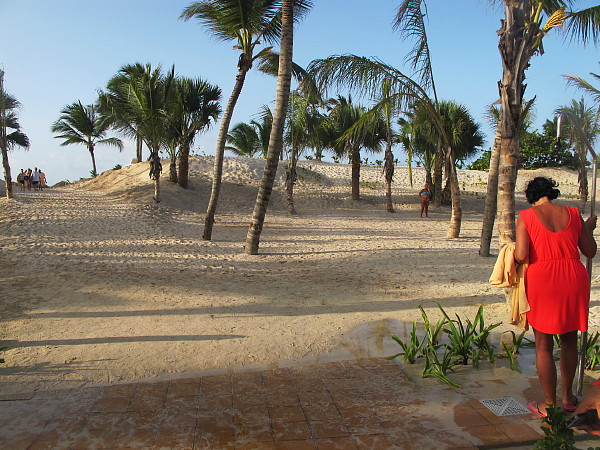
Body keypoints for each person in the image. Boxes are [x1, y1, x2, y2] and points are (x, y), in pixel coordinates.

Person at [515, 177, 597, 418]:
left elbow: (521, 255)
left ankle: (549, 404)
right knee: (569, 341)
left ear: (531, 197)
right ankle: (568, 397)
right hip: (572, 277)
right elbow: (589, 251)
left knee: (543, 346)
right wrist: (588, 230)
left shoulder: (527, 216)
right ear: (552, 192)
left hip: (543, 279)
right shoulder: (572, 213)